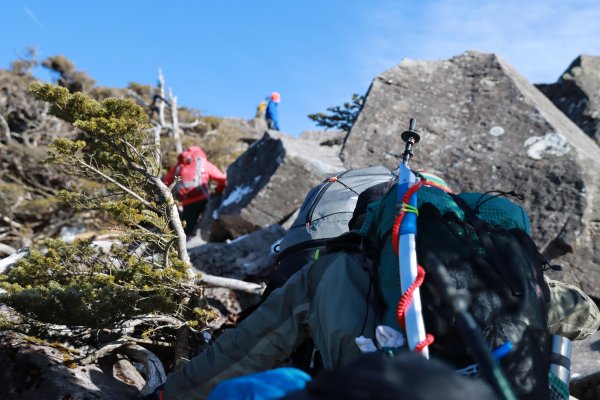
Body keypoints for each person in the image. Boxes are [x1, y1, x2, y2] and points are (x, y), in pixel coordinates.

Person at [152, 180, 599, 399]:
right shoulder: (498, 272)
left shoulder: (327, 271)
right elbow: (586, 317)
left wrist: (171, 394)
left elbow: (242, 351)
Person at [162, 146, 227, 238]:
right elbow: (222, 179)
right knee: (208, 226)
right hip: (204, 199)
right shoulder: (204, 163)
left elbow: (166, 181)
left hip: (187, 202)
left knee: (187, 231)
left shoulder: (179, 165)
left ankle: (185, 248)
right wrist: (218, 191)